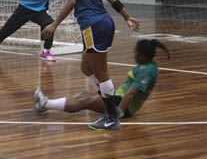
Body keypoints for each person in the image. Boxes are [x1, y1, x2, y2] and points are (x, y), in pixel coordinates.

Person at [41, 0, 141, 131]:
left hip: (92, 26)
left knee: (101, 72)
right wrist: (127, 17)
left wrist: (54, 25)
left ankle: (112, 116)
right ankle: (109, 106)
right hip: (105, 23)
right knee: (86, 68)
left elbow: (71, 1)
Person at [34, 39, 169, 118]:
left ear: (142, 55)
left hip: (122, 105)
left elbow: (131, 93)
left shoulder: (147, 71)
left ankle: (45, 104)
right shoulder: (146, 66)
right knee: (84, 94)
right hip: (117, 98)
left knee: (85, 101)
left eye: (135, 52)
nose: (134, 54)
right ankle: (46, 103)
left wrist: (117, 113)